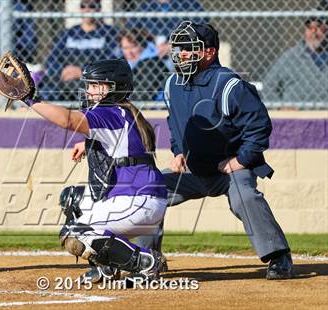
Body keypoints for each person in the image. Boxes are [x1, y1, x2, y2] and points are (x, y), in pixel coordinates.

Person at [135, 21, 293, 280]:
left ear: (209, 52)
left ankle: (279, 256)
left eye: (188, 48)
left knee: (246, 198)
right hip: (194, 171)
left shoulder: (229, 84)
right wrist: (177, 151)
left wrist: (242, 160)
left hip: (228, 170)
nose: (180, 54)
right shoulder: (172, 84)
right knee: (148, 190)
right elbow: (176, 125)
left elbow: (259, 125)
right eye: (178, 48)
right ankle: (146, 259)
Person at [0, 58, 168, 282]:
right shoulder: (121, 111)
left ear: (114, 88)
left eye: (97, 86)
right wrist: (87, 144)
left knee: (77, 233)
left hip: (139, 200)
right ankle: (108, 267)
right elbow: (120, 145)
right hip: (133, 198)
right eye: (89, 85)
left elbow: (68, 120)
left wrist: (30, 99)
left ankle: (146, 262)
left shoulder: (111, 112)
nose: (89, 91)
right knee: (73, 200)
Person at [41, 0, 119, 101]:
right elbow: (52, 59)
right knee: (45, 88)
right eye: (83, 6)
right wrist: (62, 70)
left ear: (99, 9)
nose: (86, 9)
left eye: (91, 6)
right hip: (66, 77)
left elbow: (111, 61)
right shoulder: (69, 32)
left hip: (92, 80)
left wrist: (83, 71)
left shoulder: (109, 32)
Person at [263, 1, 328, 106]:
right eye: (309, 27)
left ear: (325, 29)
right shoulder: (289, 57)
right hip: (297, 119)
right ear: (304, 30)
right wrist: (280, 107)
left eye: (318, 27)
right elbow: (268, 86)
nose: (314, 32)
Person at [119, 29, 169, 101]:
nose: (129, 52)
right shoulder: (127, 65)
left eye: (133, 47)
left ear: (143, 45)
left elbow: (141, 96)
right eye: (125, 48)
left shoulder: (152, 64)